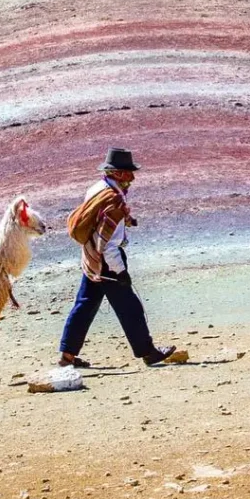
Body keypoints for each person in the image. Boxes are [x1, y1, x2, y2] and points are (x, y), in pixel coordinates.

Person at [58, 148, 175, 367]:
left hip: (90, 257)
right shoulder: (113, 201)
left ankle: (67, 356)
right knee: (129, 306)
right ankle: (147, 352)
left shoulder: (97, 189)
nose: (132, 178)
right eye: (128, 173)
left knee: (84, 305)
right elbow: (108, 243)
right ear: (118, 174)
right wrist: (120, 271)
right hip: (106, 262)